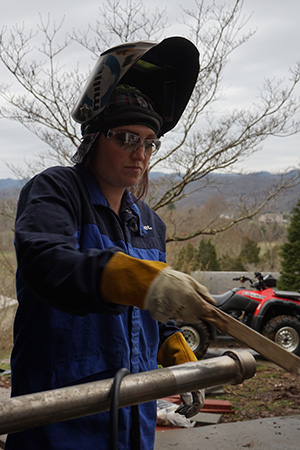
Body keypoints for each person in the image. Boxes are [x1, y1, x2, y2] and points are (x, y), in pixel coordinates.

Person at [6, 37, 215, 450]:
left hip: (133, 424)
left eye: (149, 142)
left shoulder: (150, 224)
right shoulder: (57, 190)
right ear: (94, 139)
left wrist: (172, 342)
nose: (139, 153)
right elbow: (46, 263)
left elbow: (148, 310)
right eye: (125, 138)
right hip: (60, 421)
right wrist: (138, 280)